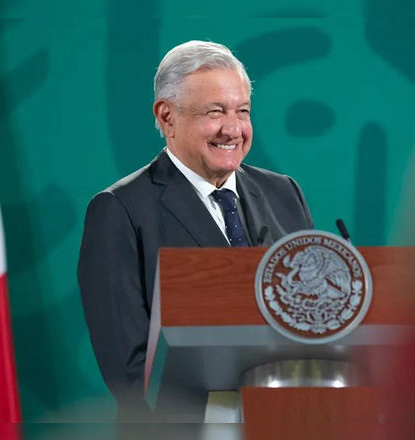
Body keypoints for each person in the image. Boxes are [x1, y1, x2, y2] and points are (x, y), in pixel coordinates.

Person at [77, 40, 313, 421]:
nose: (232, 129)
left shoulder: (284, 193)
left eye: (242, 111)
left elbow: (315, 324)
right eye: (215, 112)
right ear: (166, 116)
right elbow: (129, 368)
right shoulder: (119, 210)